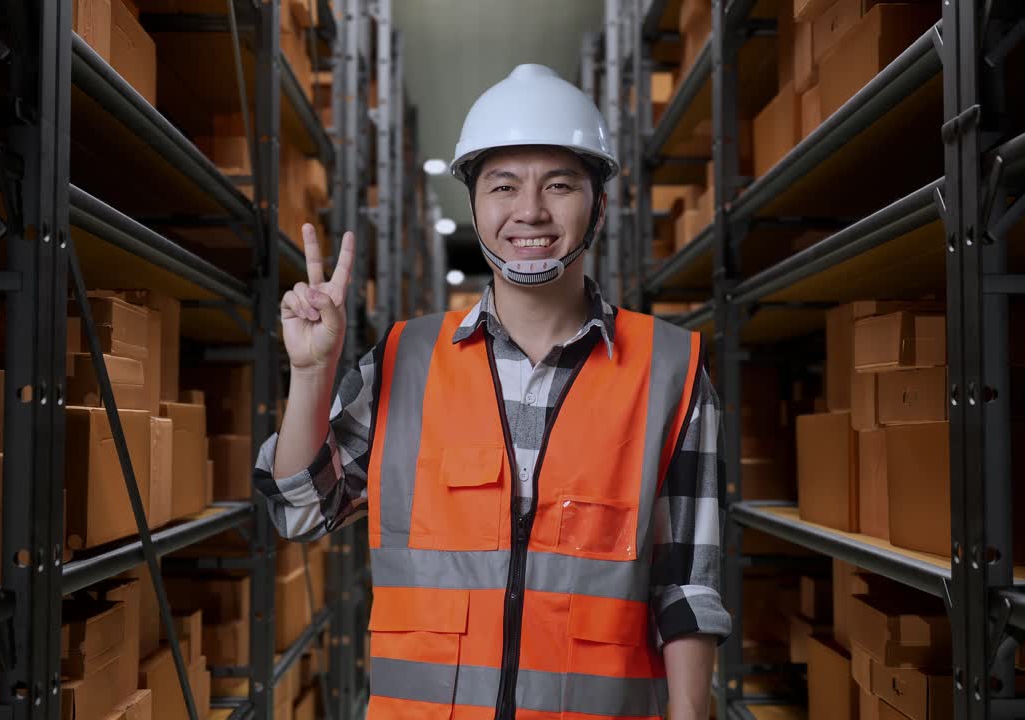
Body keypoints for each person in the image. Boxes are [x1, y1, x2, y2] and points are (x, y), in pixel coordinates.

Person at [255, 63, 729, 720]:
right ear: (473, 203)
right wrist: (310, 375)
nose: (530, 210)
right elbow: (301, 511)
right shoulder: (404, 359)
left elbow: (686, 589)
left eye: (559, 185)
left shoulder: (672, 371)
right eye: (503, 186)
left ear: (599, 202)